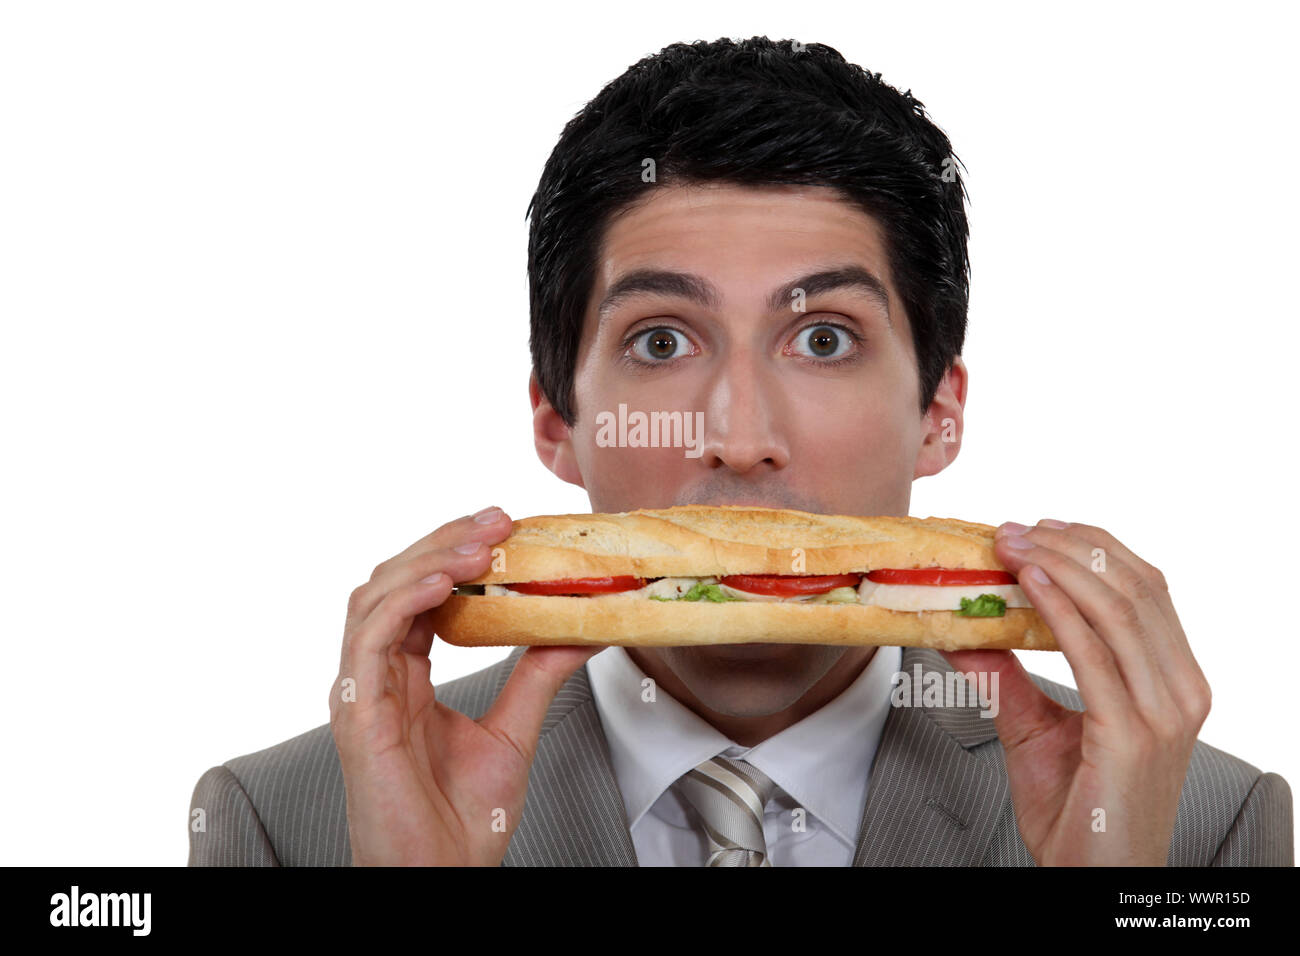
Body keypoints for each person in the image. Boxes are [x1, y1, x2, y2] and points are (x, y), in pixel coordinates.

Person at [188, 36, 1292, 866]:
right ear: (556, 420)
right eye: (660, 340)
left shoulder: (1201, 824)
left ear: (936, 412)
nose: (741, 438)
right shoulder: (283, 820)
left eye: (823, 338)